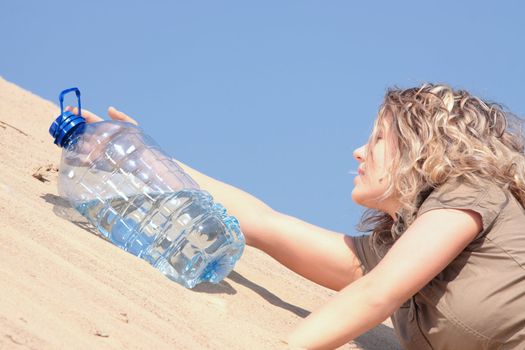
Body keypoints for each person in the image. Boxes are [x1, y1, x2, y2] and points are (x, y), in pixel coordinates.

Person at [69, 83, 525, 349]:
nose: (359, 151)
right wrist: (141, 158)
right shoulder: (389, 250)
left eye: (379, 139)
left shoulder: (471, 194)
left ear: (424, 150)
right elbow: (265, 224)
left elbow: (376, 296)